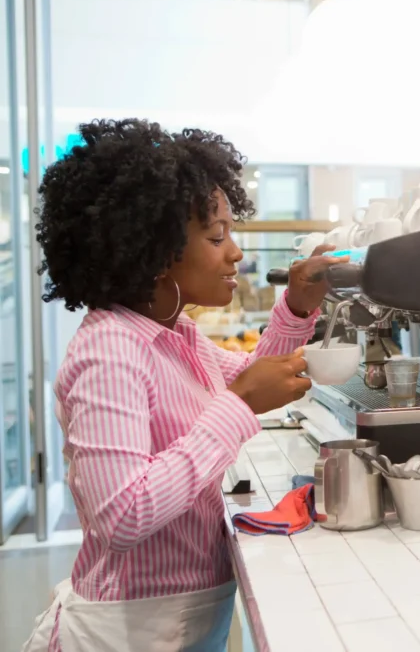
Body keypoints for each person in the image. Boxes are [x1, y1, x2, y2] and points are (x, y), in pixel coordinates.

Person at [22, 119, 338, 652]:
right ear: (154, 249)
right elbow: (122, 515)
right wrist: (236, 407)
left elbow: (260, 377)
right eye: (217, 237)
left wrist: (298, 307)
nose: (236, 252)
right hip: (121, 634)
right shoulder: (110, 351)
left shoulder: (178, 335)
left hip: (183, 625)